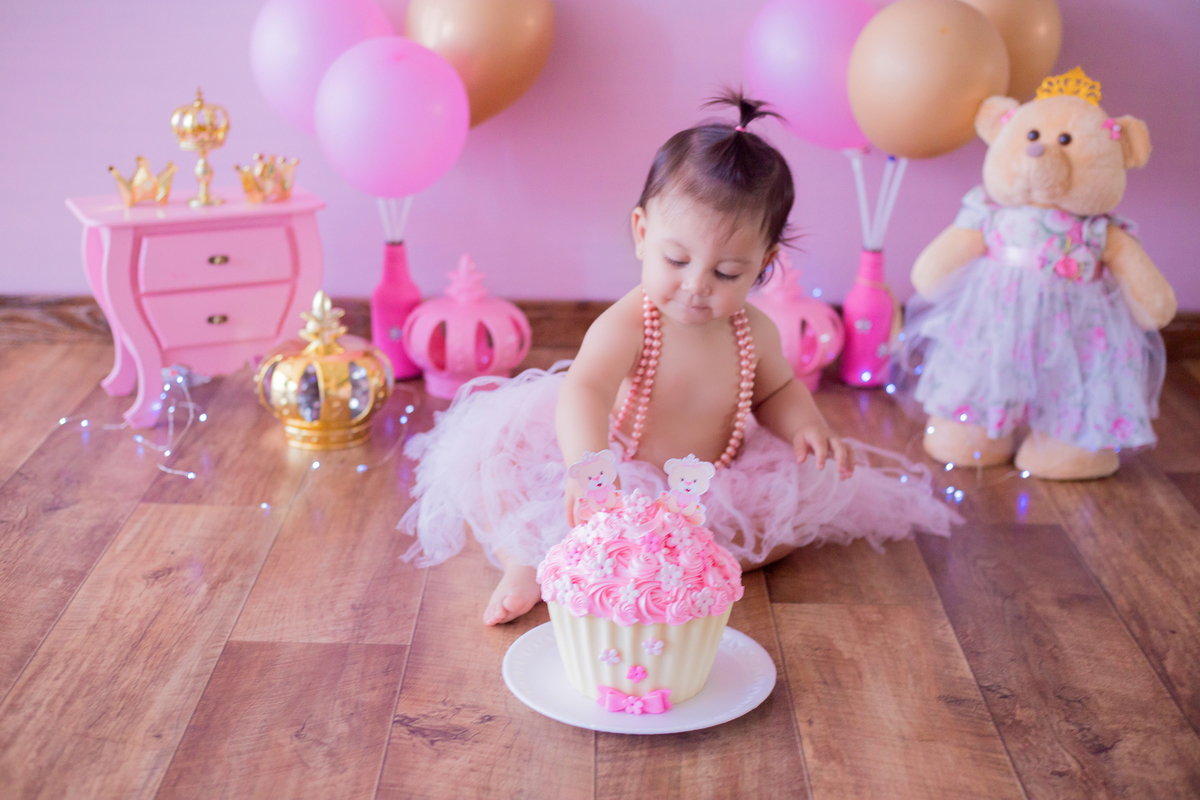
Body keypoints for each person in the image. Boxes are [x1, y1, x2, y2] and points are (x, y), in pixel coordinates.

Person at [398, 92, 959, 625]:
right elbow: (587, 388)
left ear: (763, 264)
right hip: (618, 466)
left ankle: (683, 565)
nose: (695, 286)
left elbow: (775, 392)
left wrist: (805, 424)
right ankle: (530, 564)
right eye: (676, 259)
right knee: (521, 491)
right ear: (642, 233)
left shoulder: (753, 330)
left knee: (779, 534)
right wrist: (589, 466)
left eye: (727, 273)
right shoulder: (631, 321)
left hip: (708, 479)